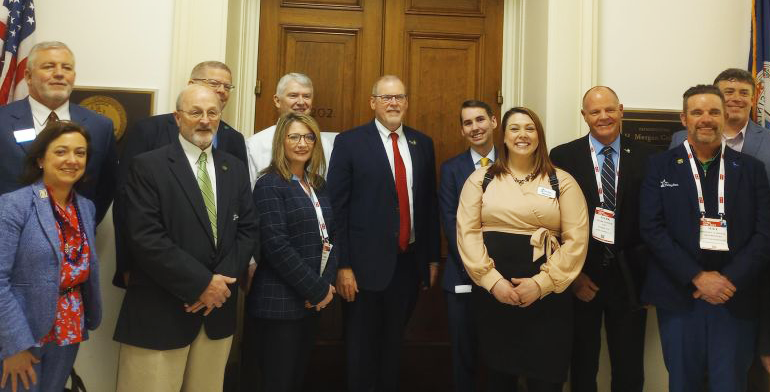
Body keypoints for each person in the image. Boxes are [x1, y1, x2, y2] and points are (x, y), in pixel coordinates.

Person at [113, 85, 258, 391]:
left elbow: (248, 229)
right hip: (160, 312)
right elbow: (145, 238)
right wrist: (202, 284)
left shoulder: (234, 168)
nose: (205, 120)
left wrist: (222, 281)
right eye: (195, 113)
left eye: (212, 113)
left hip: (216, 314)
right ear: (178, 118)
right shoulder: (148, 166)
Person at [640, 84, 770, 392]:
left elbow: (764, 232)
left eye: (714, 111)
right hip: (681, 296)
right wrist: (697, 277)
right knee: (684, 383)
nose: (706, 119)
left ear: (725, 117)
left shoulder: (751, 170)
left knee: (730, 384)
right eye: (697, 112)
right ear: (684, 119)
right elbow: (651, 228)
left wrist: (727, 280)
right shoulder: (660, 166)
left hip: (734, 297)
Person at [456, 106, 588, 391]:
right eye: (514, 128)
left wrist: (541, 284)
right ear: (503, 136)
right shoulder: (481, 179)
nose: (522, 135)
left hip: (549, 299)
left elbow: (576, 241)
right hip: (494, 297)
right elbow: (467, 234)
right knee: (498, 380)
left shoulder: (561, 181)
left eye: (529, 128)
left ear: (539, 136)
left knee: (546, 380)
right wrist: (493, 282)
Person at [327, 75, 440, 392]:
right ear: (372, 102)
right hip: (361, 269)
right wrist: (343, 265)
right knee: (361, 348)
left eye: (399, 97)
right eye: (386, 97)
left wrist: (432, 258)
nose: (393, 103)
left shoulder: (422, 143)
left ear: (406, 102)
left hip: (408, 264)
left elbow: (428, 205)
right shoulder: (350, 142)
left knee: (394, 345)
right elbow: (338, 208)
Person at [550, 86, 655, 392]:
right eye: (595, 111)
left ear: (621, 110)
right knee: (582, 363)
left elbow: (654, 222)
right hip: (583, 277)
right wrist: (572, 276)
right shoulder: (563, 156)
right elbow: (553, 222)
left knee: (630, 365)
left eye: (609, 109)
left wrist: (649, 280)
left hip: (631, 279)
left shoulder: (649, 157)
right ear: (584, 116)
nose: (603, 117)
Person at [112, 60, 247, 288]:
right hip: (159, 277)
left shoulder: (234, 139)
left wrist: (224, 276)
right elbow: (125, 203)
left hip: (221, 281)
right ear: (190, 84)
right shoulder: (149, 130)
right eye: (214, 83)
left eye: (228, 86)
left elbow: (242, 213)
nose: (222, 90)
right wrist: (125, 264)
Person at [0, 121, 102, 392]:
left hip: (69, 328)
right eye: (61, 152)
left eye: (80, 153)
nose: (72, 160)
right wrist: (14, 345)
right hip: (24, 333)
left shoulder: (86, 208)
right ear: (41, 159)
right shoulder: (14, 205)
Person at [246, 112, 337, 392]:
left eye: (309, 137)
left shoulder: (318, 186)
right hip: (280, 303)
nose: (302, 143)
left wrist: (326, 285)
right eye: (294, 137)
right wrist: (316, 289)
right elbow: (276, 245)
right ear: (281, 142)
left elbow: (332, 237)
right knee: (278, 382)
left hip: (312, 303)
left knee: (297, 379)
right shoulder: (269, 184)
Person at [0, 41, 116, 224]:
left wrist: (82, 223)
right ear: (28, 77)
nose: (60, 74)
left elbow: (106, 187)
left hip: (74, 240)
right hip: (9, 238)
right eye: (49, 67)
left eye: (67, 68)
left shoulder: (100, 126)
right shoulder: (2, 121)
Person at [438, 99, 497, 392]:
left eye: (480, 120)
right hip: (463, 275)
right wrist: (478, 267)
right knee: (464, 354)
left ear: (493, 122)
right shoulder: (451, 169)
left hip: (507, 276)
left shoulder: (514, 163)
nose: (475, 127)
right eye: (468, 123)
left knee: (500, 355)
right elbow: (451, 223)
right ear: (462, 130)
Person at [245, 73, 334, 186]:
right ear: (277, 100)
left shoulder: (324, 144)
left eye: (306, 96)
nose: (301, 102)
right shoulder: (256, 144)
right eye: (293, 96)